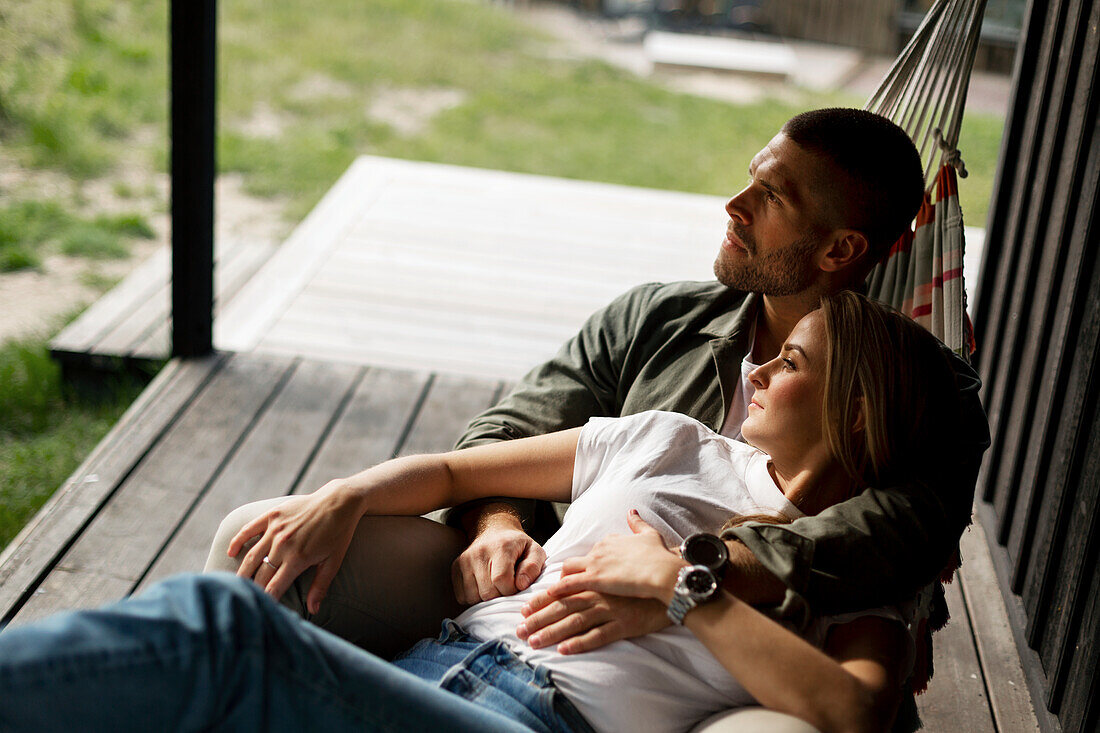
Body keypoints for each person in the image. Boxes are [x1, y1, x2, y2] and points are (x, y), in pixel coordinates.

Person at [206, 108, 988, 660]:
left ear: (839, 248)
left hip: (723, 649)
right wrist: (497, 527)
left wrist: (688, 576)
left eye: (772, 197)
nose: (734, 205)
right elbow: (507, 430)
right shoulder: (659, 316)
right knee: (262, 538)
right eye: (752, 178)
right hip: (541, 595)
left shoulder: (923, 392)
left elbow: (897, 534)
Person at [0, 292, 959, 733]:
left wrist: (682, 591)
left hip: (535, 720)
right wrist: (344, 497)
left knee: (221, 632)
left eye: (789, 362)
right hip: (424, 661)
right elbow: (458, 474)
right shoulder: (669, 439)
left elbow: (853, 710)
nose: (754, 364)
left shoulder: (860, 559)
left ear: (856, 409)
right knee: (227, 628)